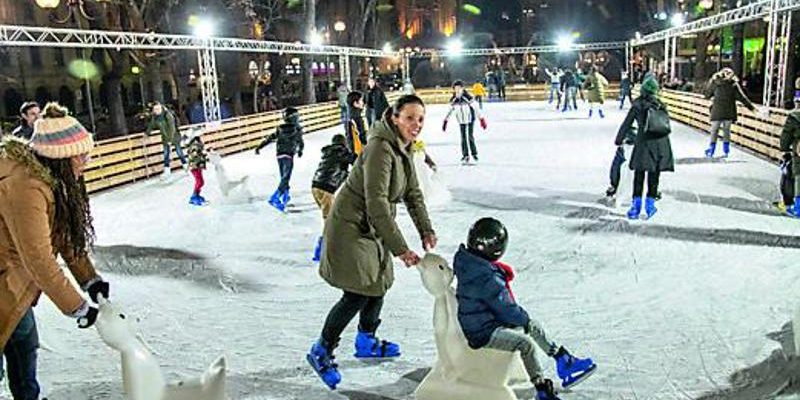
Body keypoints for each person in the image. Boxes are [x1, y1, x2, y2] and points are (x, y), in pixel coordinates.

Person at [307, 95, 437, 390]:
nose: (416, 125)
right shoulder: (381, 148)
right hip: (351, 226)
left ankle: (366, 339)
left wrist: (425, 229)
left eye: (420, 119)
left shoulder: (403, 148)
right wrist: (401, 248)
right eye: (409, 118)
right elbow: (376, 202)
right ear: (394, 117)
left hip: (372, 225)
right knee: (357, 291)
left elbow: (413, 193)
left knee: (379, 280)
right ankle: (321, 349)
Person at [0, 102, 110, 400]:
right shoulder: (25, 187)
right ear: (61, 157)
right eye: (81, 155)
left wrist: (90, 280)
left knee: (23, 342)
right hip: (6, 279)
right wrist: (78, 307)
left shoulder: (52, 180)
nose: (86, 160)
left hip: (13, 283)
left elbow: (61, 235)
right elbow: (39, 258)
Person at [454, 217, 596, 400]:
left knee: (531, 325)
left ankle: (563, 359)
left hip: (482, 322)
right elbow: (507, 310)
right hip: (482, 332)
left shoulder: (469, 263)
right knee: (526, 342)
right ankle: (541, 388)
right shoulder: (487, 277)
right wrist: (524, 320)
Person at [615, 78, 674, 220]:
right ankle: (650, 205)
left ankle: (636, 207)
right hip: (661, 142)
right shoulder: (661, 104)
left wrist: (619, 139)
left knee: (639, 175)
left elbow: (626, 123)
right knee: (654, 175)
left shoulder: (638, 104)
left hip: (643, 142)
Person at [311, 134, 357, 261]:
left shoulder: (329, 153)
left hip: (315, 187)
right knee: (330, 221)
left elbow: (340, 169)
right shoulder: (341, 152)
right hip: (326, 189)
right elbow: (356, 161)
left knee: (334, 216)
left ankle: (334, 243)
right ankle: (320, 250)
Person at [255, 107, 304, 212]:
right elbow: (300, 141)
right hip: (289, 156)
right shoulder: (297, 129)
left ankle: (285, 197)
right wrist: (300, 150)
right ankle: (275, 198)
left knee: (283, 177)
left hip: (280, 155)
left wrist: (260, 146)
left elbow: (270, 138)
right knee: (286, 178)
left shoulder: (280, 128)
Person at [703, 67, 757, 158]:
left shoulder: (715, 82)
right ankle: (726, 150)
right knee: (726, 131)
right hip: (729, 111)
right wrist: (752, 108)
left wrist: (710, 85)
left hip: (717, 111)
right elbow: (742, 98)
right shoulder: (733, 84)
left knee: (714, 131)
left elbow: (707, 94)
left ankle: (711, 150)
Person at [443, 80, 488, 165]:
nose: (457, 90)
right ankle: (465, 155)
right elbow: (449, 111)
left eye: (459, 88)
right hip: (461, 120)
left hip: (470, 118)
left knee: (470, 136)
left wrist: (481, 119)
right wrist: (445, 121)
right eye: (456, 88)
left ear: (463, 88)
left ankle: (474, 153)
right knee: (463, 138)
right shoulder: (454, 100)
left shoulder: (467, 97)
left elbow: (476, 108)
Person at [146, 102, 187, 176]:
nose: (157, 110)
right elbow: (151, 125)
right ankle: (167, 170)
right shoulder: (155, 117)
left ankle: (186, 166)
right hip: (165, 138)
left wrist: (170, 140)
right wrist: (147, 133)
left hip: (174, 137)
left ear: (161, 107)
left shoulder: (167, 115)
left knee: (179, 152)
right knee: (166, 154)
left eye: (158, 108)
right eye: (155, 109)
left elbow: (172, 128)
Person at [780, 97, 800, 217]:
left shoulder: (794, 117)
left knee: (798, 175)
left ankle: (798, 207)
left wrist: (785, 150)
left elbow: (786, 134)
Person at [185, 127, 209, 206]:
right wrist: (205, 157)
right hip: (195, 166)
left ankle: (196, 195)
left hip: (197, 165)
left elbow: (200, 152)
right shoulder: (194, 145)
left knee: (200, 181)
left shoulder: (197, 142)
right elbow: (195, 155)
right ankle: (194, 197)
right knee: (200, 181)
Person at [346, 91, 368, 156]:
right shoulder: (356, 119)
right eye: (361, 100)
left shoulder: (353, 117)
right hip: (360, 153)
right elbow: (361, 137)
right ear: (355, 103)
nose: (363, 102)